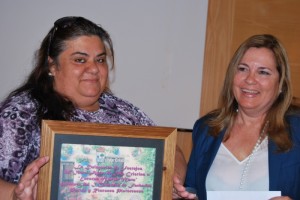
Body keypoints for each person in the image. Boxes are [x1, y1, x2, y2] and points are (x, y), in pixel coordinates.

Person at [0, 16, 186, 200]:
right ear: (52, 66)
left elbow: (171, 150)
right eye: (80, 60)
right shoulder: (22, 113)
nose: (94, 68)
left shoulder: (122, 111)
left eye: (100, 60)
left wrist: (170, 182)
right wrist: (14, 195)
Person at [173, 34, 300, 199]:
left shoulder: (296, 130)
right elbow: (193, 189)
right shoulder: (207, 128)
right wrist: (181, 194)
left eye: (263, 72)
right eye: (242, 69)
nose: (250, 79)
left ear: (281, 84)